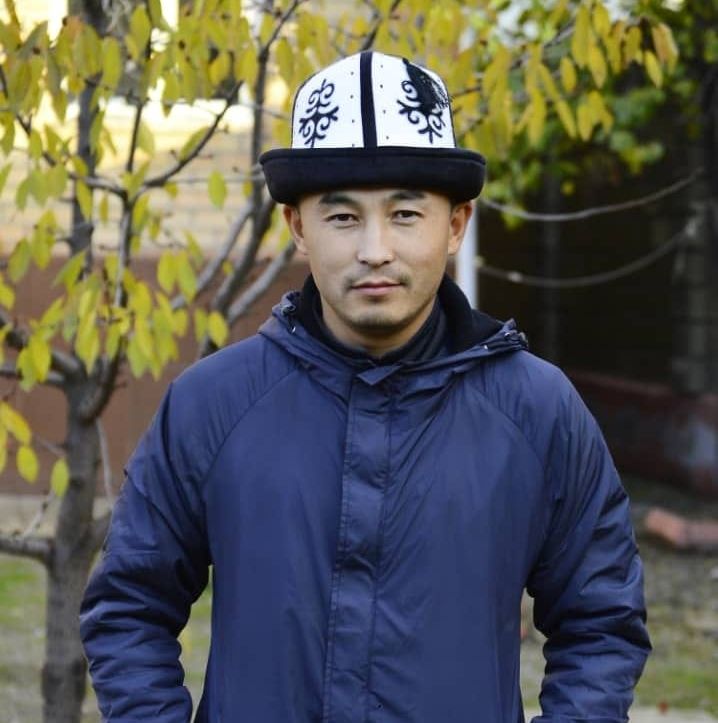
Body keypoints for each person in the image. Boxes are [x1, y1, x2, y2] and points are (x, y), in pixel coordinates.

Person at [80, 51, 651, 723]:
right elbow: (129, 606)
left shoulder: (538, 411)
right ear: (299, 227)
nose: (375, 249)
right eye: (343, 217)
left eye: (405, 214)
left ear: (455, 224)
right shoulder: (213, 404)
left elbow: (602, 622)